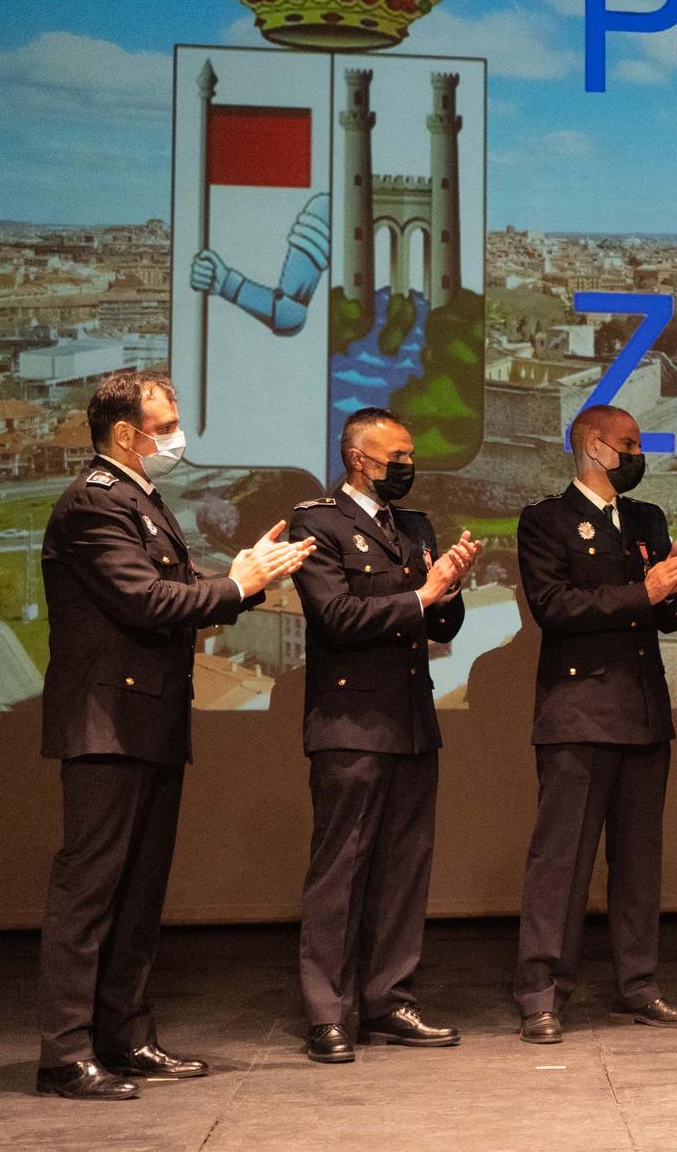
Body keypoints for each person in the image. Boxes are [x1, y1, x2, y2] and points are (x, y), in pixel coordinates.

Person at [35, 372, 312, 1099]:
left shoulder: (139, 498)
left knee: (139, 893)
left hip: (148, 717)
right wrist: (241, 582)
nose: (177, 435)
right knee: (90, 891)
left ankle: (125, 1035)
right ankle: (65, 1052)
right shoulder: (94, 504)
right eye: (168, 422)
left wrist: (244, 578)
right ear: (129, 434)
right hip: (108, 723)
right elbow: (147, 598)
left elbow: (183, 588)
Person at [287, 407, 483, 1063]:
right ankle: (327, 1011)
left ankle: (390, 997)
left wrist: (448, 588)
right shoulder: (317, 521)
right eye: (396, 456)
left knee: (404, 867)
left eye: (410, 455)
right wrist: (424, 596)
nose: (408, 465)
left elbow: (440, 626)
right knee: (340, 870)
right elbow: (337, 616)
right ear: (358, 458)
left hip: (410, 721)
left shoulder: (413, 526)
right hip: (350, 723)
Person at [512, 404, 677, 1043]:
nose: (637, 454)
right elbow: (554, 607)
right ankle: (541, 992)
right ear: (595, 448)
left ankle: (639, 984)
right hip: (579, 713)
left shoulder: (646, 518)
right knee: (561, 862)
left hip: (643, 711)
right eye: (628, 444)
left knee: (639, 860)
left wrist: (672, 590)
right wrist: (643, 593)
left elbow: (663, 619)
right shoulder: (547, 520)